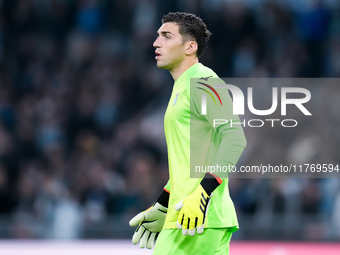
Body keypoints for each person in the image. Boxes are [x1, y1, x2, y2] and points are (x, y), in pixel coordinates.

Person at [129, 12, 246, 255]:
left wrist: (203, 193)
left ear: (190, 47)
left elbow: (234, 137)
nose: (156, 42)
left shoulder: (203, 81)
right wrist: (163, 204)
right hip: (186, 216)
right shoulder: (181, 86)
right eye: (157, 36)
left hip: (198, 220)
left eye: (166, 36)